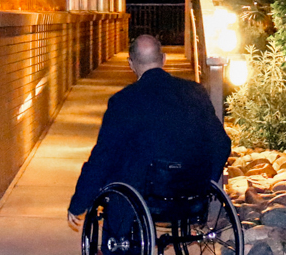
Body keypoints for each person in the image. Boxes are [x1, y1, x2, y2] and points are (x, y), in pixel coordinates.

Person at [67, 34, 231, 232]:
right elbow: (221, 143)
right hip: (191, 190)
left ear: (131, 64)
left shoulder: (123, 101)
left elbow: (103, 157)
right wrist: (207, 179)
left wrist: (80, 202)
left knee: (119, 170)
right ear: (164, 59)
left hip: (146, 195)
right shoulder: (195, 92)